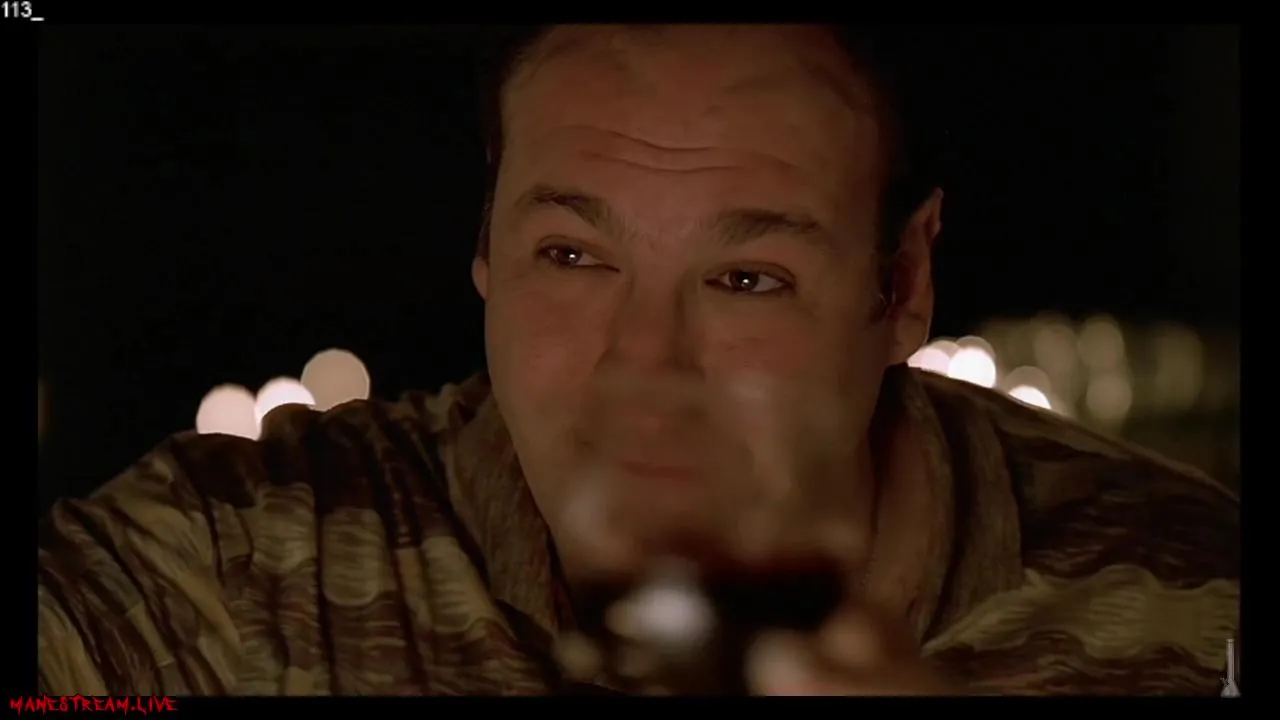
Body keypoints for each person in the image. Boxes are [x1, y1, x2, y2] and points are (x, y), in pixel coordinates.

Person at [38, 24, 1239, 696]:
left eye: (746, 279)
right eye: (572, 256)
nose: (645, 370)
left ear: (902, 287)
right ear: (485, 250)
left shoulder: (1196, 614)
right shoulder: (236, 575)